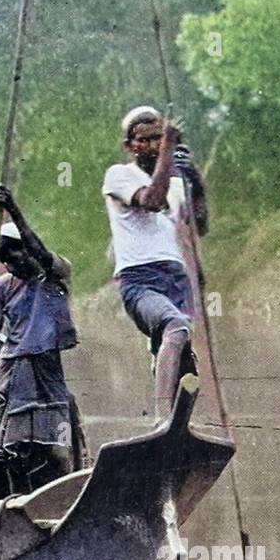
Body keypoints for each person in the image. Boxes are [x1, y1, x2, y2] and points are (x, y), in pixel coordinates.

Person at [101, 106, 209, 420]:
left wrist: (193, 178)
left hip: (176, 278)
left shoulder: (173, 180)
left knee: (185, 363)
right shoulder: (119, 176)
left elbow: (200, 224)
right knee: (175, 328)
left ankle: (179, 426)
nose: (152, 146)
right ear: (129, 146)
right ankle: (163, 421)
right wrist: (169, 151)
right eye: (144, 140)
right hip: (140, 279)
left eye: (158, 139)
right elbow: (151, 200)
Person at [0, 184, 79, 495]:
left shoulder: (55, 272)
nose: (12, 266)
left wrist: (13, 209)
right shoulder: (3, 285)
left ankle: (63, 497)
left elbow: (37, 248)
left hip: (46, 366)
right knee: (12, 449)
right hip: (13, 366)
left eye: (15, 258)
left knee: (55, 446)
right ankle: (18, 501)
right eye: (5, 261)